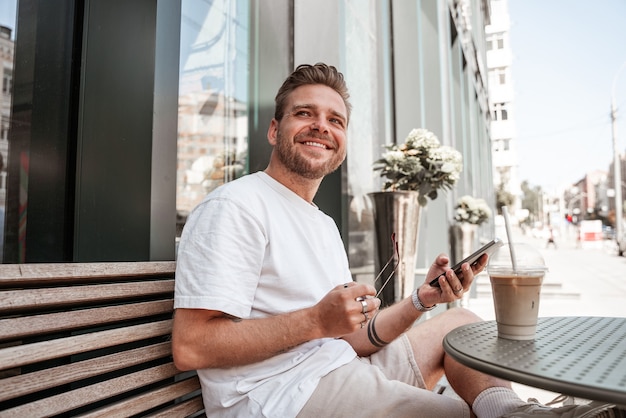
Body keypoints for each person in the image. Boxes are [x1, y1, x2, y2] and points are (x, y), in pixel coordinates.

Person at [172, 63, 620, 417]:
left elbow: (352, 340)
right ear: (275, 130)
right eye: (304, 113)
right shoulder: (236, 206)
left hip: (337, 367)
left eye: (335, 120)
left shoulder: (322, 224)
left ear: (343, 140)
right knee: (458, 413)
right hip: (279, 398)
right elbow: (190, 346)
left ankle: (513, 415)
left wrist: (422, 300)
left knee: (460, 319)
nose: (321, 126)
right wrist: (314, 321)